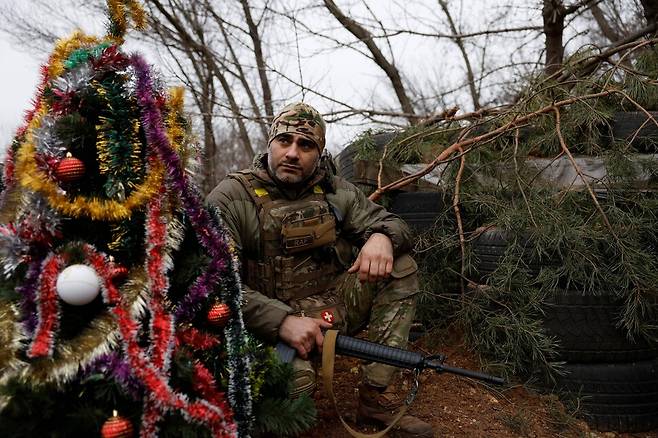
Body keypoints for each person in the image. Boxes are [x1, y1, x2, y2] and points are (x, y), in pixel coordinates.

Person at [207, 102, 433, 437]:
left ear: (320, 152)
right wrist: (281, 321)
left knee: (401, 266)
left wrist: (382, 238)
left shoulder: (335, 191)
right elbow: (214, 284)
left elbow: (394, 225)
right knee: (295, 389)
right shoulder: (231, 198)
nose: (293, 153)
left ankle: (376, 397)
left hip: (332, 308)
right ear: (269, 144)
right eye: (284, 141)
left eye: (306, 145)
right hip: (268, 328)